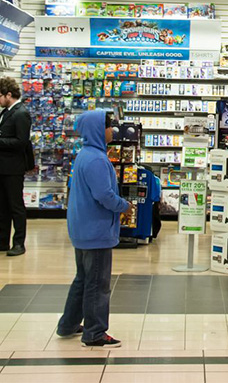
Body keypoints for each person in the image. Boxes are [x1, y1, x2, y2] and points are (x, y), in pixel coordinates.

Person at [57, 109, 134, 348]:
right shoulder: (97, 160)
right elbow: (104, 195)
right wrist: (124, 206)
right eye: (109, 126)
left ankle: (68, 324)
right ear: (99, 130)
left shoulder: (85, 155)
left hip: (83, 228)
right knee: (98, 284)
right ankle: (94, 333)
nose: (112, 130)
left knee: (83, 279)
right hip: (96, 230)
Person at [0, 77, 32, 257]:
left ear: (8, 95)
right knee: (1, 205)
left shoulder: (21, 113)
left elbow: (21, 142)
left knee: (15, 206)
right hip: (0, 167)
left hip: (13, 168)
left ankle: (19, 243)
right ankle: (2, 240)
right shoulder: (6, 111)